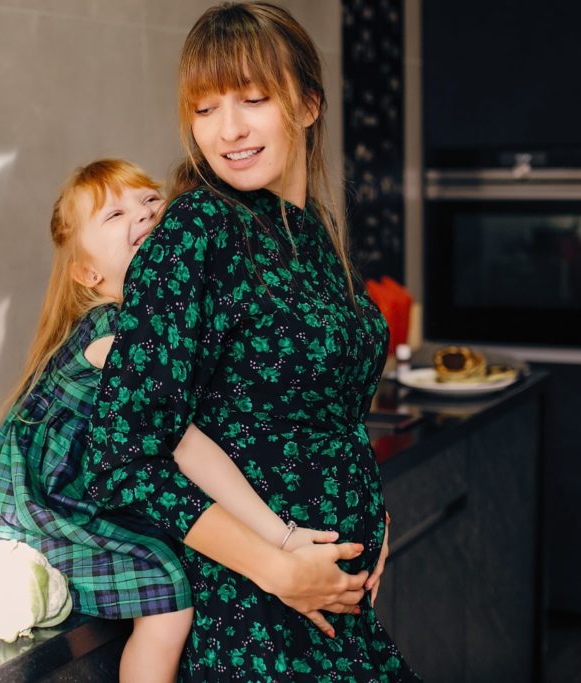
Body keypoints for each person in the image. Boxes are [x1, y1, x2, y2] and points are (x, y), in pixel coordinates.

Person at [84, 3, 418, 681]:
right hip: (255, 618)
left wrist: (367, 511)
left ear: (308, 103)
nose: (227, 130)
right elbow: (122, 455)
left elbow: (325, 413)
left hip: (332, 604)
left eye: (253, 100)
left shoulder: (308, 229)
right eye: (205, 109)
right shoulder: (196, 235)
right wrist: (279, 569)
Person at [0, 158, 365, 683]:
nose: (144, 215)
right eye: (114, 216)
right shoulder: (118, 334)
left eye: (150, 201)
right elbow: (185, 445)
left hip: (77, 486)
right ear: (88, 273)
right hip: (40, 503)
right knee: (168, 599)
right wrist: (279, 534)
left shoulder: (160, 318)